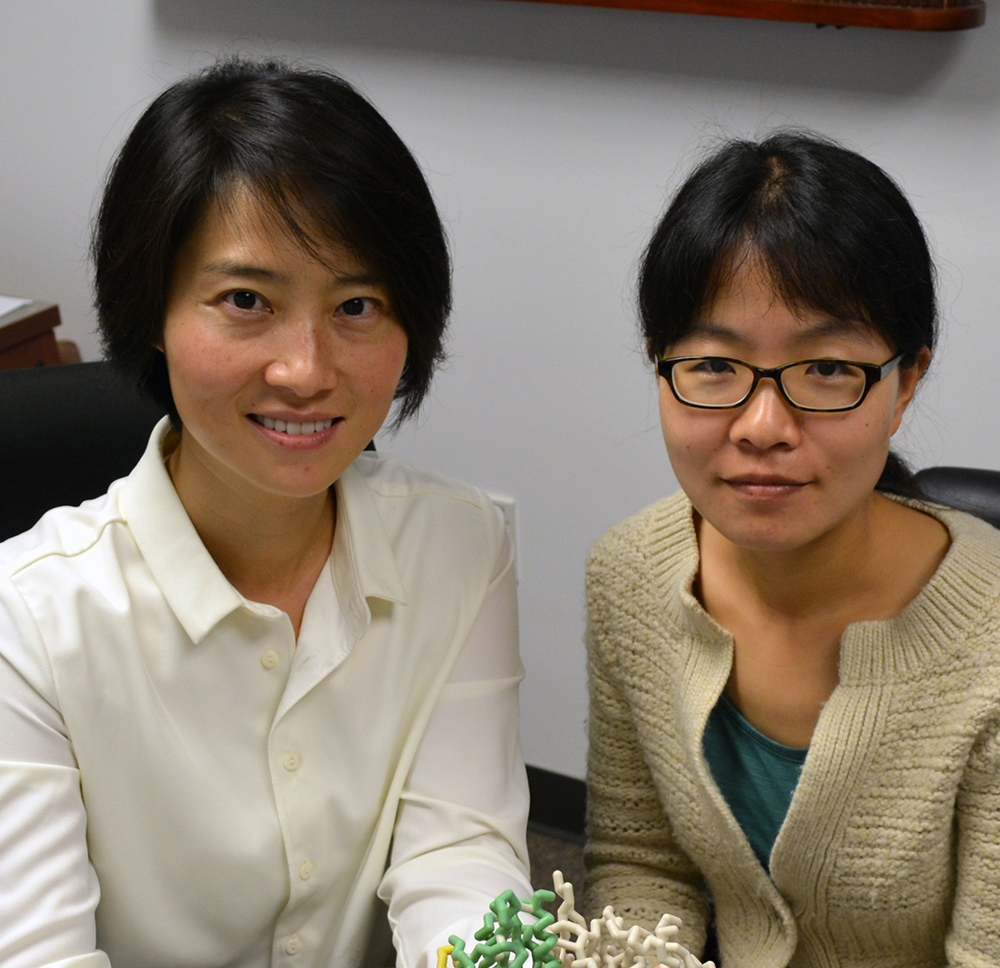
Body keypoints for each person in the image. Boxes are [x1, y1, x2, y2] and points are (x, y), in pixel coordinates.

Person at [0, 59, 532, 968]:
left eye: (357, 305)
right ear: (153, 313)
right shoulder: (27, 621)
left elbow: (458, 848)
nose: (306, 368)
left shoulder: (460, 542)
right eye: (246, 301)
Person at [582, 132, 1000, 967]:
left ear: (905, 381)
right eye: (711, 364)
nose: (762, 428)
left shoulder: (990, 638)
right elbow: (640, 864)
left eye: (826, 371)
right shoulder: (630, 575)